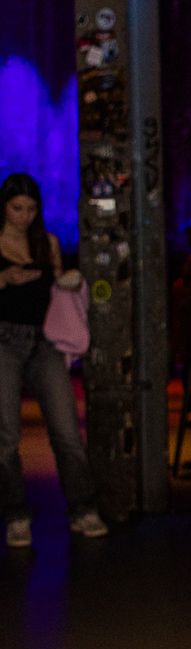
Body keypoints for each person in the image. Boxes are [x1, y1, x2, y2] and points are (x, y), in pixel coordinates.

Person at [0, 172, 107, 547]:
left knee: (66, 430)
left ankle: (83, 508)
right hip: (4, 340)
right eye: (17, 208)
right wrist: (4, 279)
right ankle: (16, 515)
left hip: (44, 341)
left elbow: (58, 284)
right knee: (6, 437)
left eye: (31, 209)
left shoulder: (47, 242)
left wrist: (68, 281)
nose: (24, 216)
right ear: (4, 207)